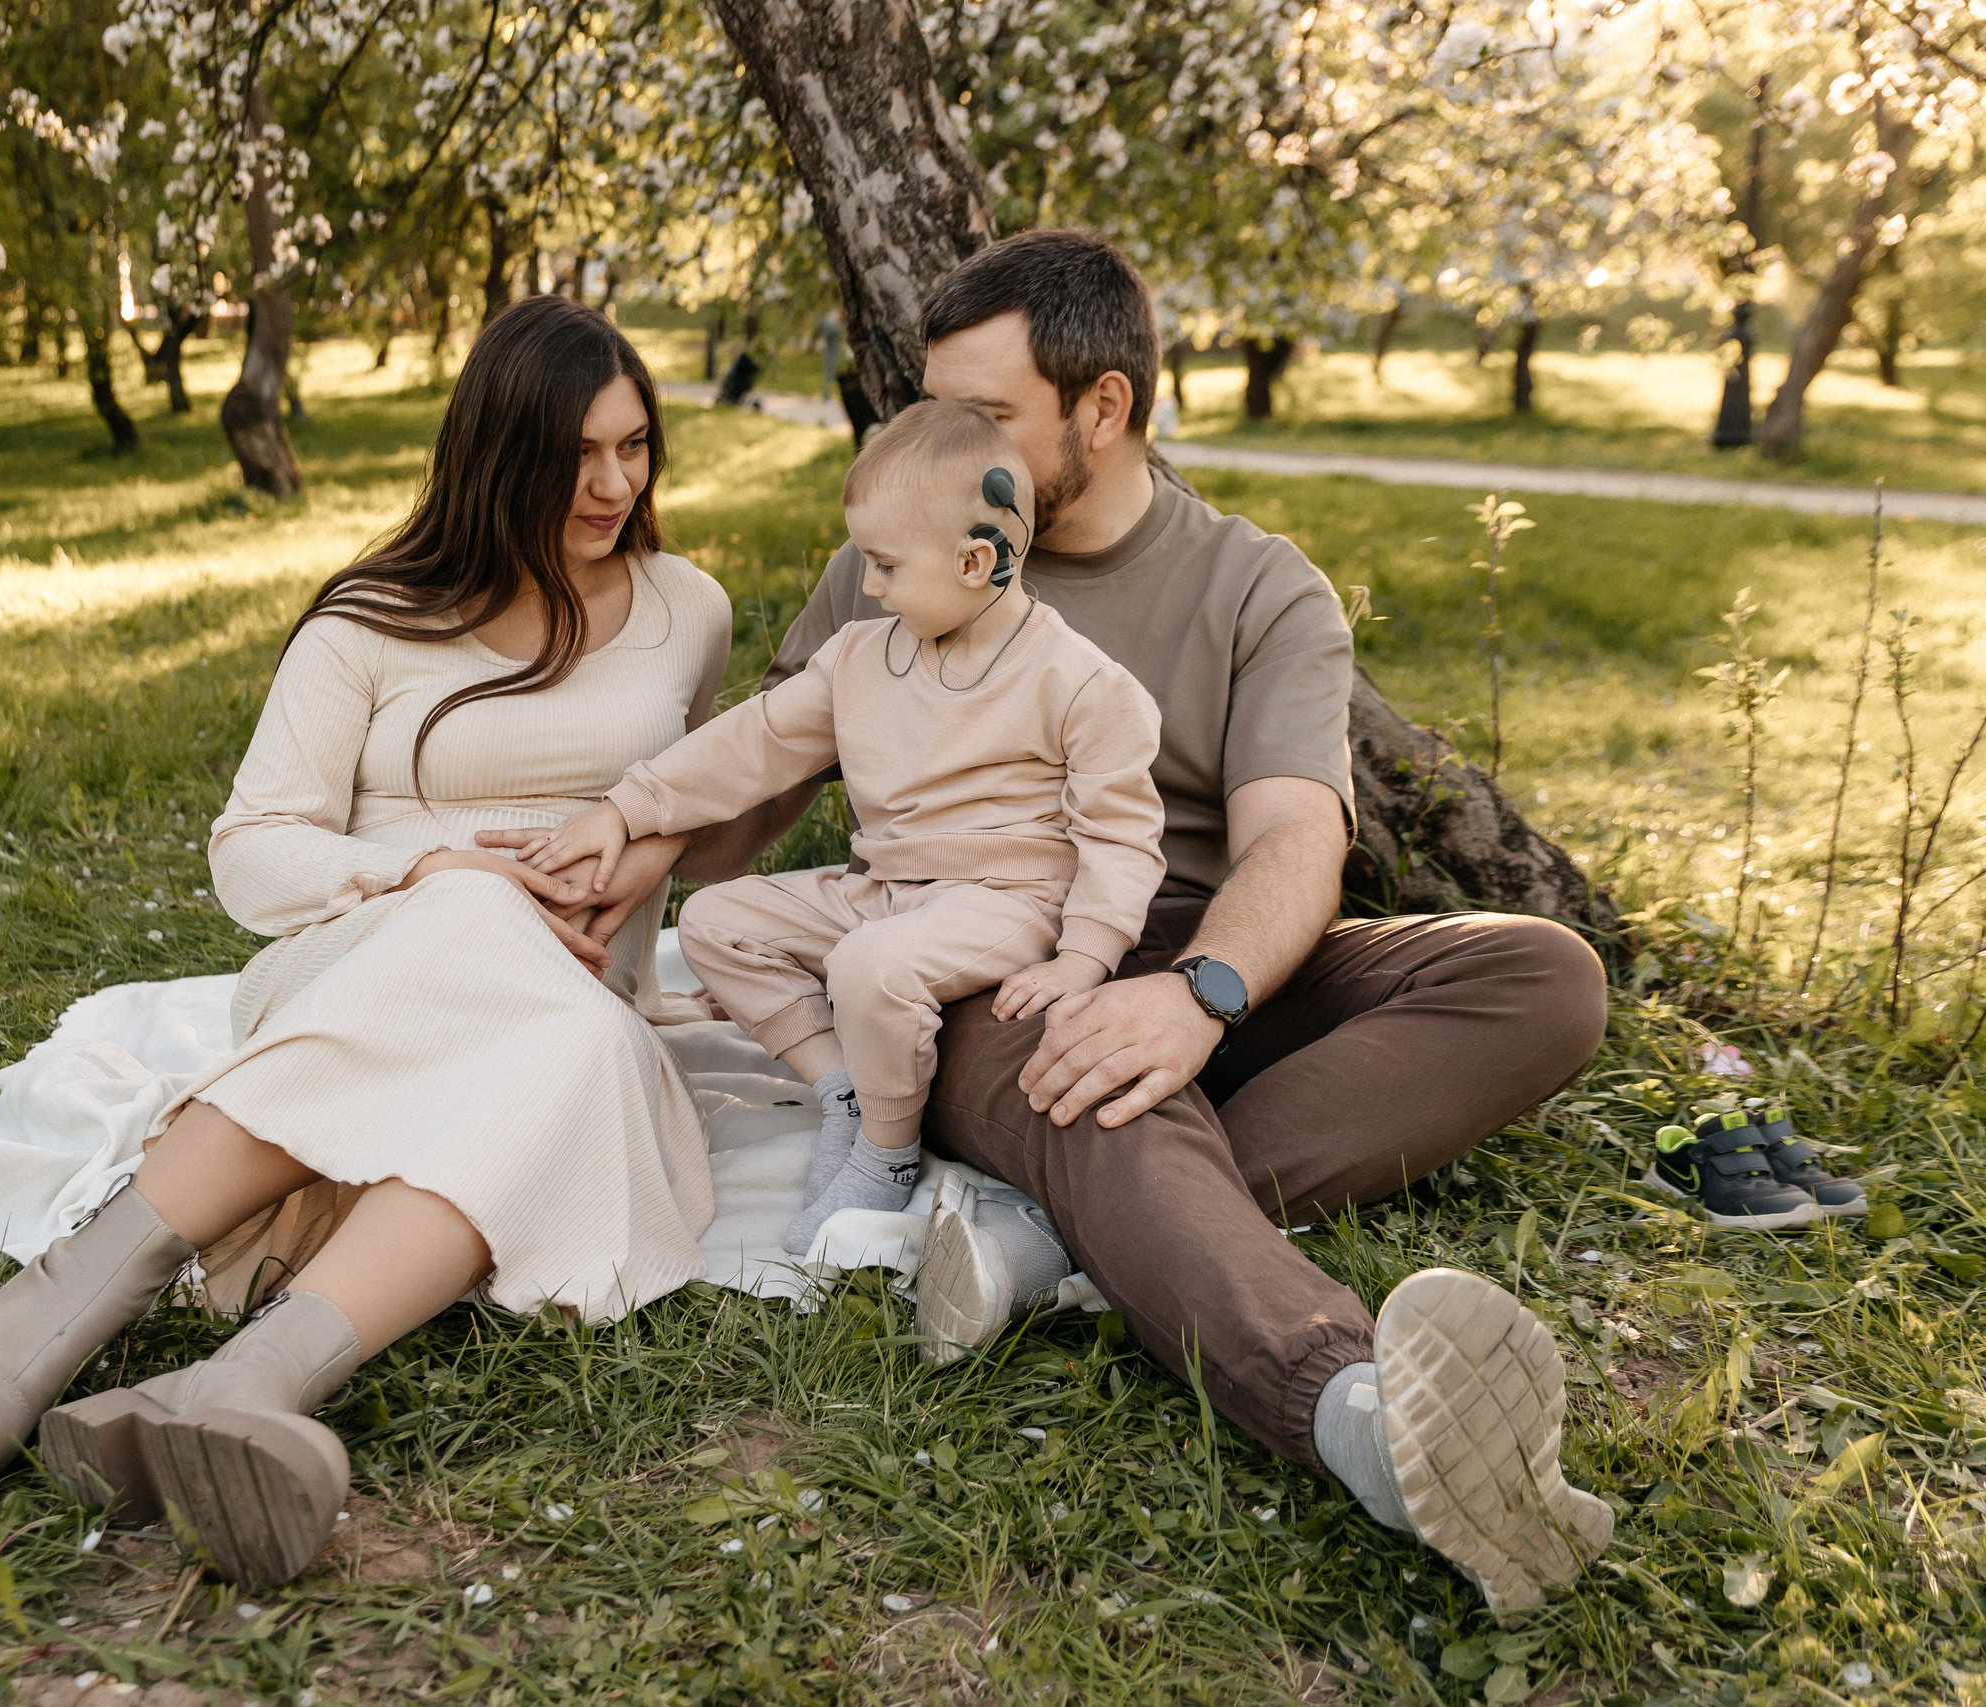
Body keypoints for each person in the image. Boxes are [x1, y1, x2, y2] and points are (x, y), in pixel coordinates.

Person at [477, 231, 1615, 1617]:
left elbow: (1292, 842)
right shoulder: (904, 544)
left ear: (1103, 407)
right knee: (1095, 1089)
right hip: (982, 959)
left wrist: (1196, 994)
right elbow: (761, 773)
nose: (948, 442)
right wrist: (630, 838)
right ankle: (1361, 1414)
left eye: (986, 413)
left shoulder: (1258, 585)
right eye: (936, 408)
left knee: (1538, 974)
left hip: (1203, 942)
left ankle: (1049, 1233)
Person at [0, 295, 734, 1589]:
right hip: (364, 974)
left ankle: (239, 1385)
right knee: (478, 912)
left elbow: (701, 804)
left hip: (570, 1012)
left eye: (634, 446)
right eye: (576, 456)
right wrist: (424, 866)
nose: (613, 485)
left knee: (579, 1044)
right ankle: (34, 1326)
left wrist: (655, 846)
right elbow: (252, 850)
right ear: (498, 455)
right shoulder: (372, 622)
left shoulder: (688, 609)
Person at [521, 401, 1164, 1254]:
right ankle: (847, 1091)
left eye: (886, 565)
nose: (869, 586)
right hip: (883, 888)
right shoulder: (862, 657)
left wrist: (1085, 954)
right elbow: (753, 743)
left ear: (975, 560)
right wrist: (627, 806)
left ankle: (887, 1153)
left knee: (868, 966)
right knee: (713, 922)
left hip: (1007, 900)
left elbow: (1121, 836)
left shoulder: (1080, 682)